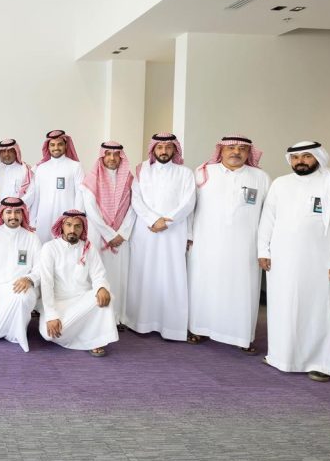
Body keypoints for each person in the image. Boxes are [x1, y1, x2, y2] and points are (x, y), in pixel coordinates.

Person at [258, 141, 330, 382]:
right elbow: (268, 219)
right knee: (284, 308)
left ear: (318, 157)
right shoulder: (280, 184)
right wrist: (263, 250)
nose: (300, 161)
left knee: (322, 311)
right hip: (283, 260)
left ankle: (323, 364)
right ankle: (281, 356)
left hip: (322, 261)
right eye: (295, 157)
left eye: (306, 156)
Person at [187, 135, 270, 352]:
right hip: (206, 244)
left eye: (242, 149)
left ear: (249, 153)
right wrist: (188, 236)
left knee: (242, 292)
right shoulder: (203, 173)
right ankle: (199, 329)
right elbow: (189, 207)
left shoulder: (260, 177)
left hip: (244, 248)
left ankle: (242, 337)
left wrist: (264, 248)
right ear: (221, 151)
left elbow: (267, 215)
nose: (236, 152)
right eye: (231, 148)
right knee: (204, 287)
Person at [123, 133, 196, 341]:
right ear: (153, 149)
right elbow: (136, 200)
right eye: (160, 147)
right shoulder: (142, 170)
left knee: (171, 276)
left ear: (175, 149)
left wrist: (167, 222)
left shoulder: (185, 173)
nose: (164, 151)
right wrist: (153, 220)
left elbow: (189, 202)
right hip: (145, 231)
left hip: (174, 232)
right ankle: (140, 323)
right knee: (143, 275)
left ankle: (172, 327)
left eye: (168, 147)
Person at [38, 210, 119, 357]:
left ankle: (95, 341)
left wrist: (101, 287)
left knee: (106, 296)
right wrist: (51, 315)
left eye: (77, 226)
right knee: (47, 334)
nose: (72, 230)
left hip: (82, 301)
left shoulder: (88, 247)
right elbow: (46, 283)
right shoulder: (50, 248)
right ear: (62, 226)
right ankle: (88, 334)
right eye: (68, 225)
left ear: (83, 228)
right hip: (59, 302)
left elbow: (98, 274)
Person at [80, 141, 136, 328]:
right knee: (96, 273)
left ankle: (117, 317)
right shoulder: (91, 178)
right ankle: (97, 318)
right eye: (108, 154)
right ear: (102, 156)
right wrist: (109, 234)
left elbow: (133, 207)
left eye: (116, 155)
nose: (112, 158)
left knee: (119, 276)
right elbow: (91, 209)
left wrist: (122, 233)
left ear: (121, 157)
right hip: (98, 235)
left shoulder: (129, 179)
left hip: (121, 238)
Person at [0, 197, 42, 352]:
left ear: (23, 214)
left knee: (21, 298)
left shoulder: (32, 238)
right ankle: (13, 331)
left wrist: (29, 279)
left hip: (22, 287)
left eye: (17, 212)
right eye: (9, 212)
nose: (13, 216)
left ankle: (19, 335)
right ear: (2, 214)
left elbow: (41, 267)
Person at [25, 130, 83, 244]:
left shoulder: (75, 166)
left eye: (60, 144)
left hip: (67, 220)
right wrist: (32, 221)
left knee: (65, 249)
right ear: (48, 147)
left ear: (66, 145)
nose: (56, 148)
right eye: (52, 145)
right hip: (43, 220)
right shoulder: (40, 168)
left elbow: (80, 194)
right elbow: (36, 196)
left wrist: (77, 218)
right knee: (43, 249)